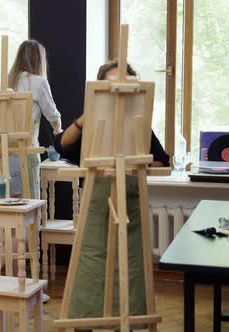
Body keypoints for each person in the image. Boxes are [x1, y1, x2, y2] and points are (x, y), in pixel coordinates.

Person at [54, 60, 170, 331]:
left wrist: (139, 162)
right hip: (97, 204)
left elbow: (162, 161)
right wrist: (87, 117)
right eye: (109, 85)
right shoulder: (95, 123)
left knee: (131, 264)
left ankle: (130, 320)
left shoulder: (139, 124)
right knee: (92, 263)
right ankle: (85, 319)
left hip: (130, 203)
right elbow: (62, 144)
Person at [0, 40, 63, 304]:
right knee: (24, 222)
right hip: (24, 156)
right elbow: (53, 114)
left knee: (8, 222)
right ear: (37, 60)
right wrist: (59, 133)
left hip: (3, 156)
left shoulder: (8, 82)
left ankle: (0, 278)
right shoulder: (37, 82)